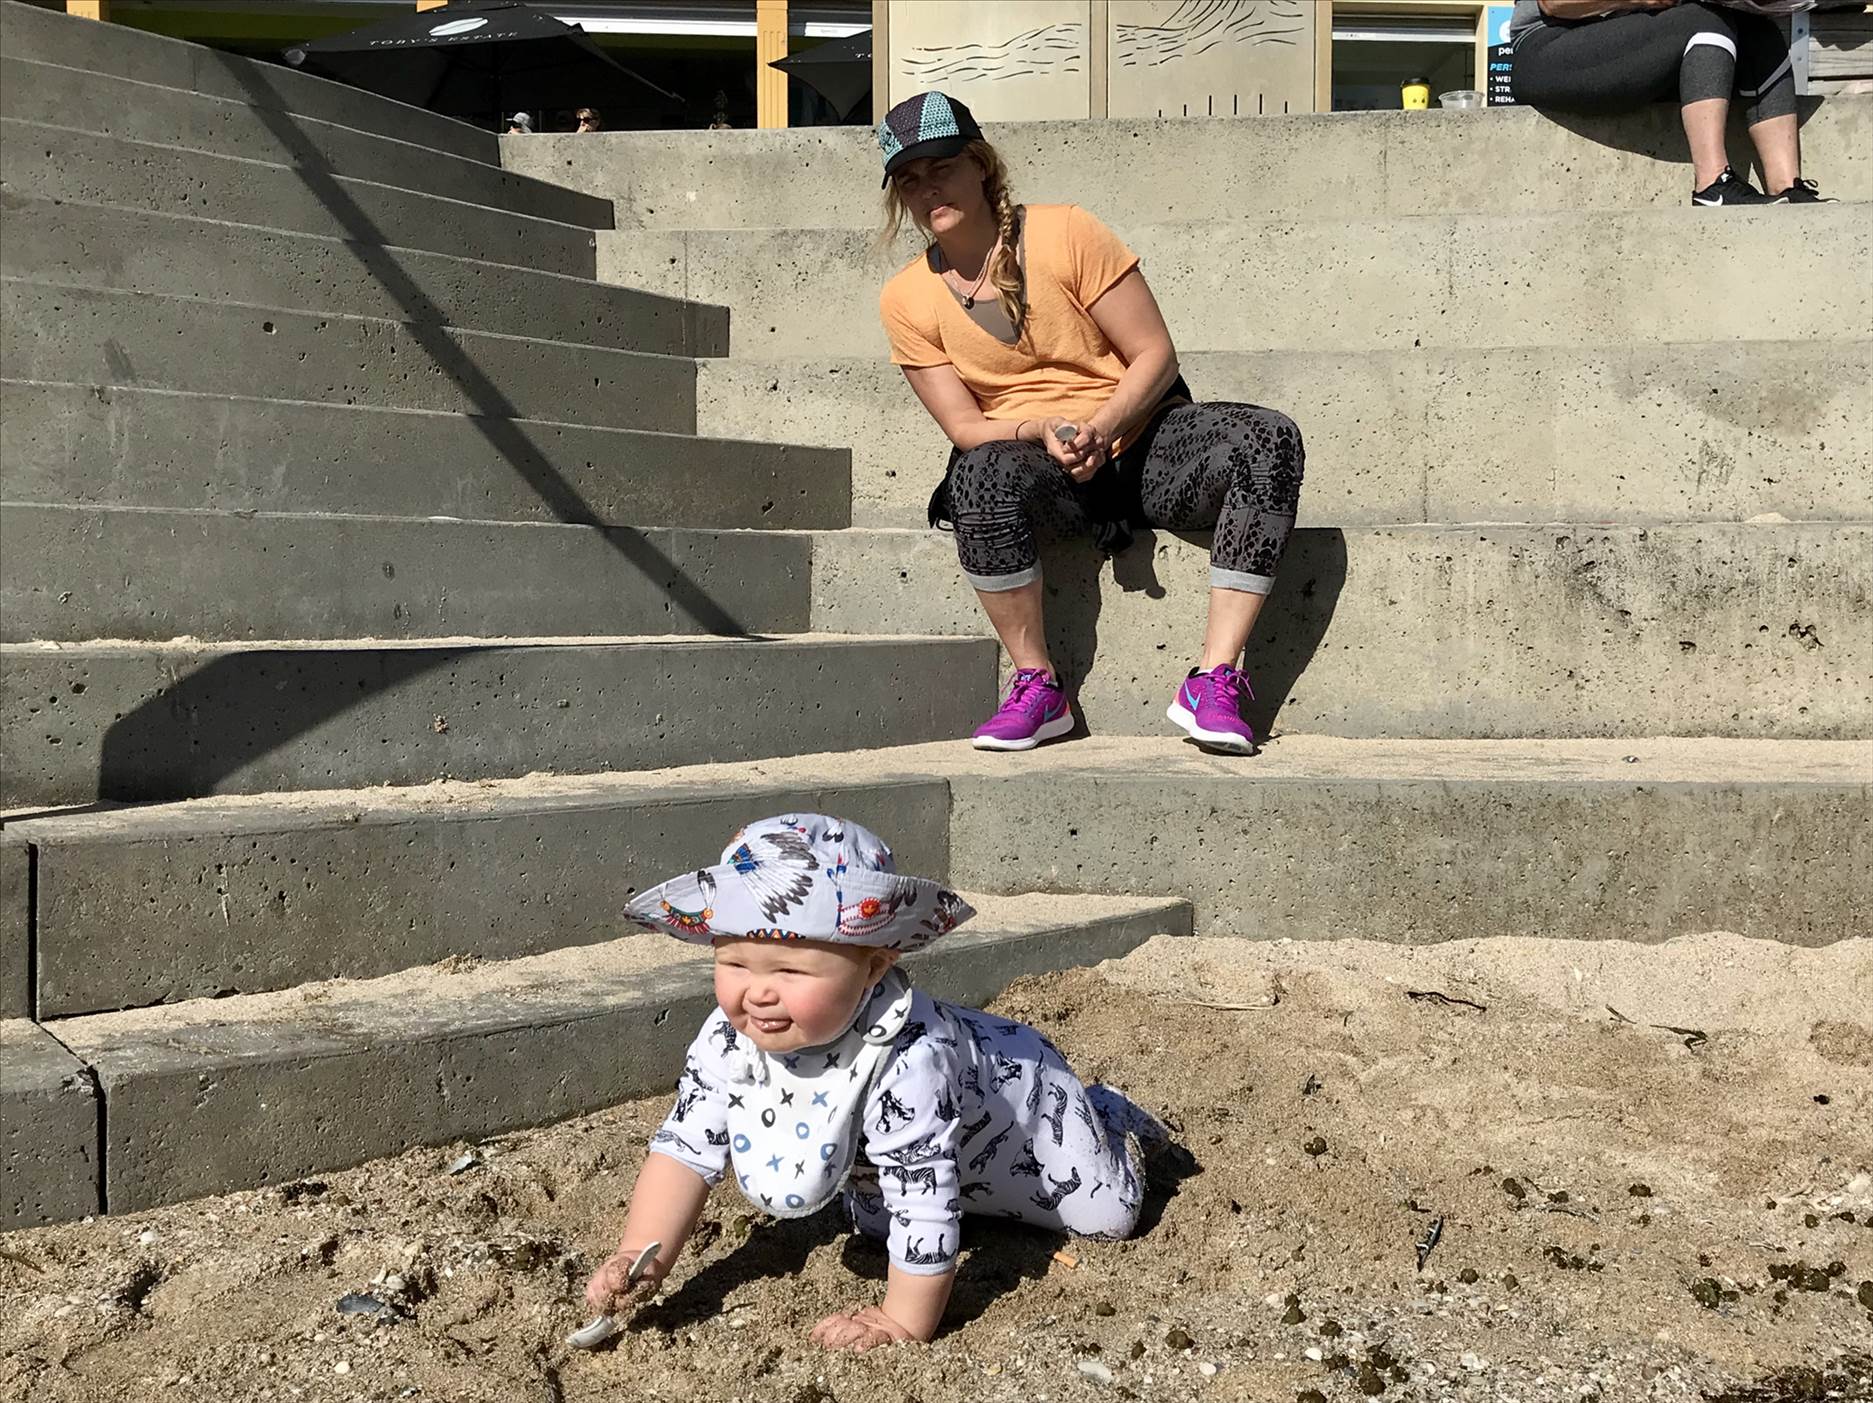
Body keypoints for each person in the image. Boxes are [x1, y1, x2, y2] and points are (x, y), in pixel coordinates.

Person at [582, 814, 1167, 1352]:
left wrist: (901, 1320)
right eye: (733, 963)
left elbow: (922, 1192)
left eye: (790, 970)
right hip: (917, 1158)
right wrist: (639, 1253)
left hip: (1027, 1114)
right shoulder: (727, 1039)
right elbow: (684, 1149)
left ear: (873, 967)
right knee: (876, 1224)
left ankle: (1109, 1115)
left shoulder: (911, 1058)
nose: (757, 992)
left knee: (1107, 1215)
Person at [875, 92, 1306, 756]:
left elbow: (1154, 354)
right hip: (1039, 471)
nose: (928, 187)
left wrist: (1102, 427)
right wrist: (1038, 429)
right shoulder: (906, 298)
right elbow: (964, 426)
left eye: (942, 167)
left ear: (981, 165)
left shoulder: (1066, 233)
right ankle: (1037, 686)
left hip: (1142, 444)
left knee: (1267, 437)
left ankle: (1214, 678)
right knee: (978, 472)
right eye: (909, 179)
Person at [1508, 0, 1834, 204]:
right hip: (1548, 50)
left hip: (1634, 46)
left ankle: (1787, 187)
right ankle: (1712, 184)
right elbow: (1555, 4)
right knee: (1704, 20)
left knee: (1759, 32)